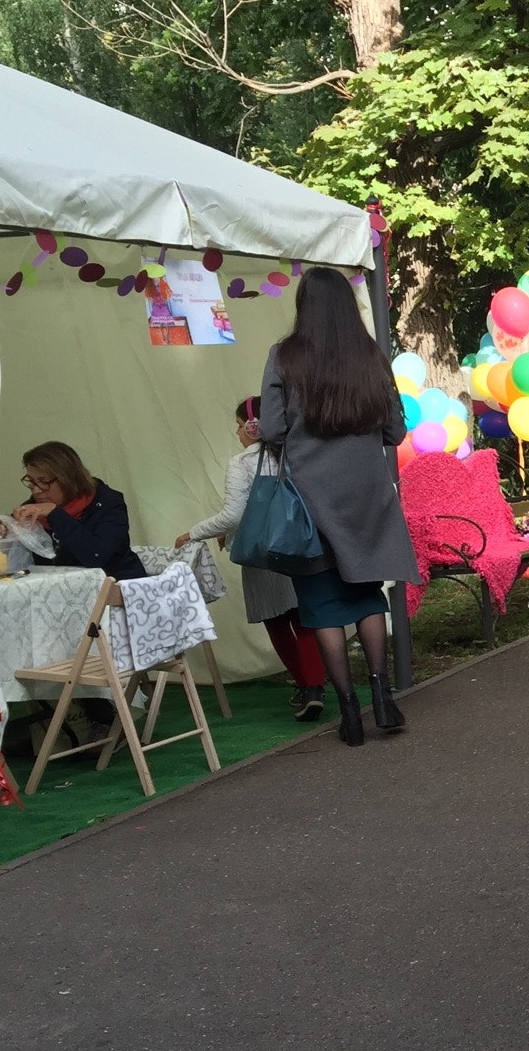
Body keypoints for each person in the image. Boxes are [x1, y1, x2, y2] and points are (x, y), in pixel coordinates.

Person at [259, 266, 420, 747]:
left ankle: (349, 714)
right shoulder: (370, 355)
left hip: (309, 501)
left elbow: (271, 430)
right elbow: (395, 430)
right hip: (366, 498)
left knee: (323, 606)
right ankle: (383, 698)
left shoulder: (284, 356)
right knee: (366, 596)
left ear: (303, 306)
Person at [174, 397, 326, 721]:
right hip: (298, 545)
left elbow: (235, 514)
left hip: (263, 552)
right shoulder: (294, 452)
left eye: (240, 425)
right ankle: (317, 685)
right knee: (303, 617)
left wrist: (194, 532)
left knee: (276, 621)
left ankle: (304, 685)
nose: (237, 432)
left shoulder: (242, 463)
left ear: (253, 427)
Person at [0, 441, 147, 582]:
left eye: (43, 482)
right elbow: (5, 538)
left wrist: (55, 514)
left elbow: (95, 556)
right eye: (31, 481)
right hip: (63, 592)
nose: (36, 490)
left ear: (68, 479)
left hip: (117, 593)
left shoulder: (109, 504)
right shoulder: (36, 506)